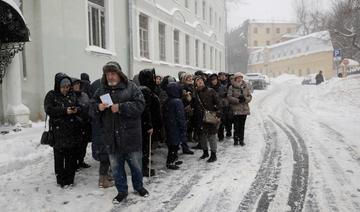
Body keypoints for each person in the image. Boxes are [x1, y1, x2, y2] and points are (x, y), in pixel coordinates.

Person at [91, 61, 148, 204]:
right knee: (116, 169)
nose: (110, 77)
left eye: (113, 73)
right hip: (111, 137)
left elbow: (140, 105)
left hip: (131, 136)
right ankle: (121, 191)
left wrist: (121, 107)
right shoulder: (101, 90)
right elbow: (90, 107)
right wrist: (98, 107)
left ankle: (139, 187)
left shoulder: (132, 87)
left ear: (119, 74)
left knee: (135, 166)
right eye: (108, 74)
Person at [44, 73, 82, 188]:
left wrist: (76, 109)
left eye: (68, 87)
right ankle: (61, 180)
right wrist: (65, 111)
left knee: (71, 157)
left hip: (72, 131)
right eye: (63, 87)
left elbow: (79, 106)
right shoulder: (51, 95)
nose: (66, 89)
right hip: (58, 132)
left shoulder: (72, 95)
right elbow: (49, 109)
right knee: (59, 158)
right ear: (58, 86)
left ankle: (70, 179)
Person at [89, 78, 114, 188]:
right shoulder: (102, 97)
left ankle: (105, 177)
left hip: (100, 130)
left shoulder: (95, 100)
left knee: (106, 155)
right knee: (105, 155)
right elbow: (109, 111)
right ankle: (103, 180)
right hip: (103, 130)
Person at [138, 68, 163, 177]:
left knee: (146, 146)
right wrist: (149, 125)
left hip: (147, 123)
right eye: (152, 77)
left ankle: (144, 164)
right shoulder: (145, 90)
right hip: (145, 125)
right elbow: (145, 110)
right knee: (145, 146)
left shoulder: (147, 89)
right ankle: (144, 168)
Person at [194, 76, 220, 163]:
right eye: (198, 81)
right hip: (199, 118)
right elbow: (193, 105)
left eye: (201, 80)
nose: (200, 82)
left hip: (210, 116)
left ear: (204, 82)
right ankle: (205, 153)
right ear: (195, 83)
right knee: (202, 136)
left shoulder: (211, 91)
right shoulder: (195, 93)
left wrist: (218, 113)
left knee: (212, 136)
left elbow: (218, 102)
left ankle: (213, 154)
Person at [163, 82, 187, 169]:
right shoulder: (177, 102)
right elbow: (180, 116)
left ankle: (174, 159)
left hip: (169, 125)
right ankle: (170, 161)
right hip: (175, 126)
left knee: (172, 144)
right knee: (174, 145)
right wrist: (183, 126)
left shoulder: (167, 100)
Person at [227, 72, 252, 146]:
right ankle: (236, 140)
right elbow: (229, 97)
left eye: (241, 77)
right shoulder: (231, 87)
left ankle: (241, 140)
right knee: (236, 126)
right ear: (235, 79)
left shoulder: (246, 86)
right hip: (236, 109)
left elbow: (250, 96)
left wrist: (245, 99)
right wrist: (237, 100)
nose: (239, 79)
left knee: (242, 126)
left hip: (244, 110)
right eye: (238, 78)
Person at [72, 78, 92, 169]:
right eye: (75, 84)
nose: (77, 86)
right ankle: (74, 163)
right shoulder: (70, 96)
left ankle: (81, 161)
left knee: (84, 144)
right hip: (75, 124)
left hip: (86, 123)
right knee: (76, 145)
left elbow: (88, 106)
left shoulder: (84, 95)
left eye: (78, 84)